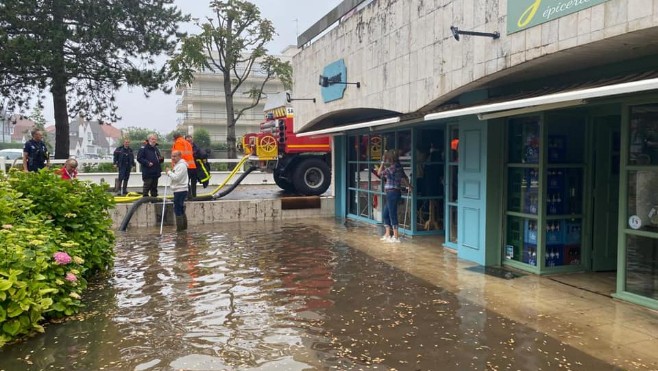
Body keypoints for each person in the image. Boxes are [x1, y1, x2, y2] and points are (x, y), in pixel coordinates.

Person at [377, 149, 412, 243]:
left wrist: (382, 163)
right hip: (393, 192)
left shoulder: (392, 168)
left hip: (392, 192)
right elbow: (404, 177)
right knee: (386, 213)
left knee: (392, 213)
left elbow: (379, 173)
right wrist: (409, 186)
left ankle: (396, 236)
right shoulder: (399, 167)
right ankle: (388, 233)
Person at [166, 150, 189, 231]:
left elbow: (176, 177)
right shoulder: (177, 165)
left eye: (175, 156)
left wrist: (169, 172)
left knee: (178, 209)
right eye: (172, 156)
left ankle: (180, 229)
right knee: (180, 208)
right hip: (178, 189)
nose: (173, 158)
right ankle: (183, 228)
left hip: (180, 190)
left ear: (180, 156)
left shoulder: (181, 166)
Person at [172, 132, 197, 199]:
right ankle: (193, 197)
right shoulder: (187, 143)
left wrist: (175, 165)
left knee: (184, 183)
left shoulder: (178, 142)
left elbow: (178, 155)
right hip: (192, 165)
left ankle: (187, 197)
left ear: (174, 138)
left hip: (185, 166)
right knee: (193, 183)